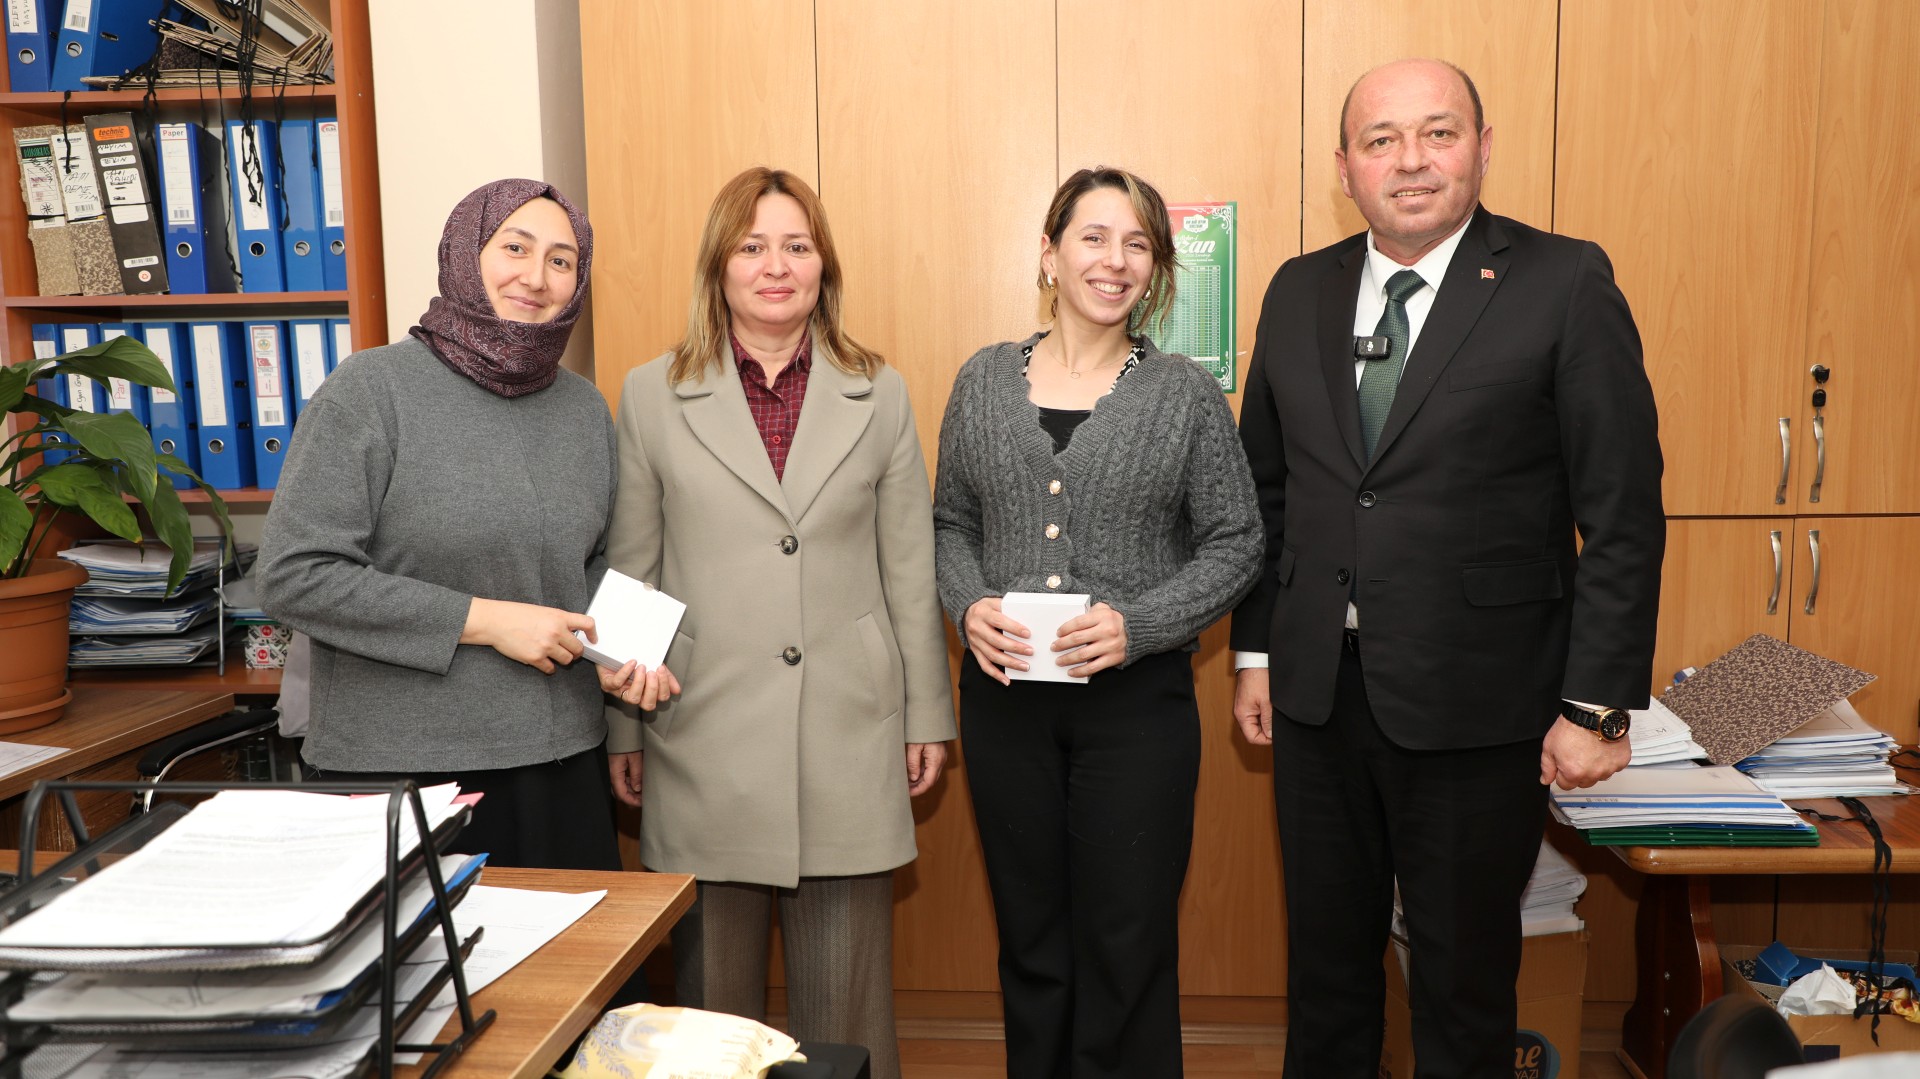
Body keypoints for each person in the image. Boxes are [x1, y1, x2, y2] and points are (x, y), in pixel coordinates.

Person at [1230, 59, 1665, 1078]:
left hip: (1482, 706)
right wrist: (1256, 650)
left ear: (1482, 146)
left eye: (1438, 132)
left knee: (1463, 993)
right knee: (1326, 982)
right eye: (1380, 140)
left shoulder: (1564, 282)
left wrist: (1597, 706)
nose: (1411, 161)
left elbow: (1621, 512)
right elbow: (1268, 493)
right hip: (1317, 702)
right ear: (1345, 166)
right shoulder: (1298, 290)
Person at [602, 166, 952, 1079]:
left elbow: (909, 570)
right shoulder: (650, 393)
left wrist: (926, 715)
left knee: (847, 1020)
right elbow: (632, 570)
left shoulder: (879, 391)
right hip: (699, 732)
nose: (775, 266)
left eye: (797, 246)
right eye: (752, 246)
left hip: (849, 733)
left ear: (823, 264)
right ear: (718, 265)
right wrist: (622, 725)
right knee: (710, 1025)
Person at [933, 167, 1263, 1078]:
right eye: (1093, 237)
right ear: (1049, 253)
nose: (1114, 260)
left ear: (1156, 270)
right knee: (1032, 941)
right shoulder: (982, 380)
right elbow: (949, 523)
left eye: (1137, 244)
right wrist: (968, 604)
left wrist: (1140, 624)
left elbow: (1238, 542)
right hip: (1005, 703)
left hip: (1136, 711)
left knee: (1127, 944)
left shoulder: (1185, 394)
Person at [258, 178, 672, 870]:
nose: (536, 277)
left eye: (562, 261)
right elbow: (293, 575)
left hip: (562, 762)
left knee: (580, 945)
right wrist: (483, 620)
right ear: (464, 252)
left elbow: (589, 565)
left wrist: (629, 655)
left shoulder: (583, 410)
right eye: (515, 247)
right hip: (406, 771)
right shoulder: (370, 390)